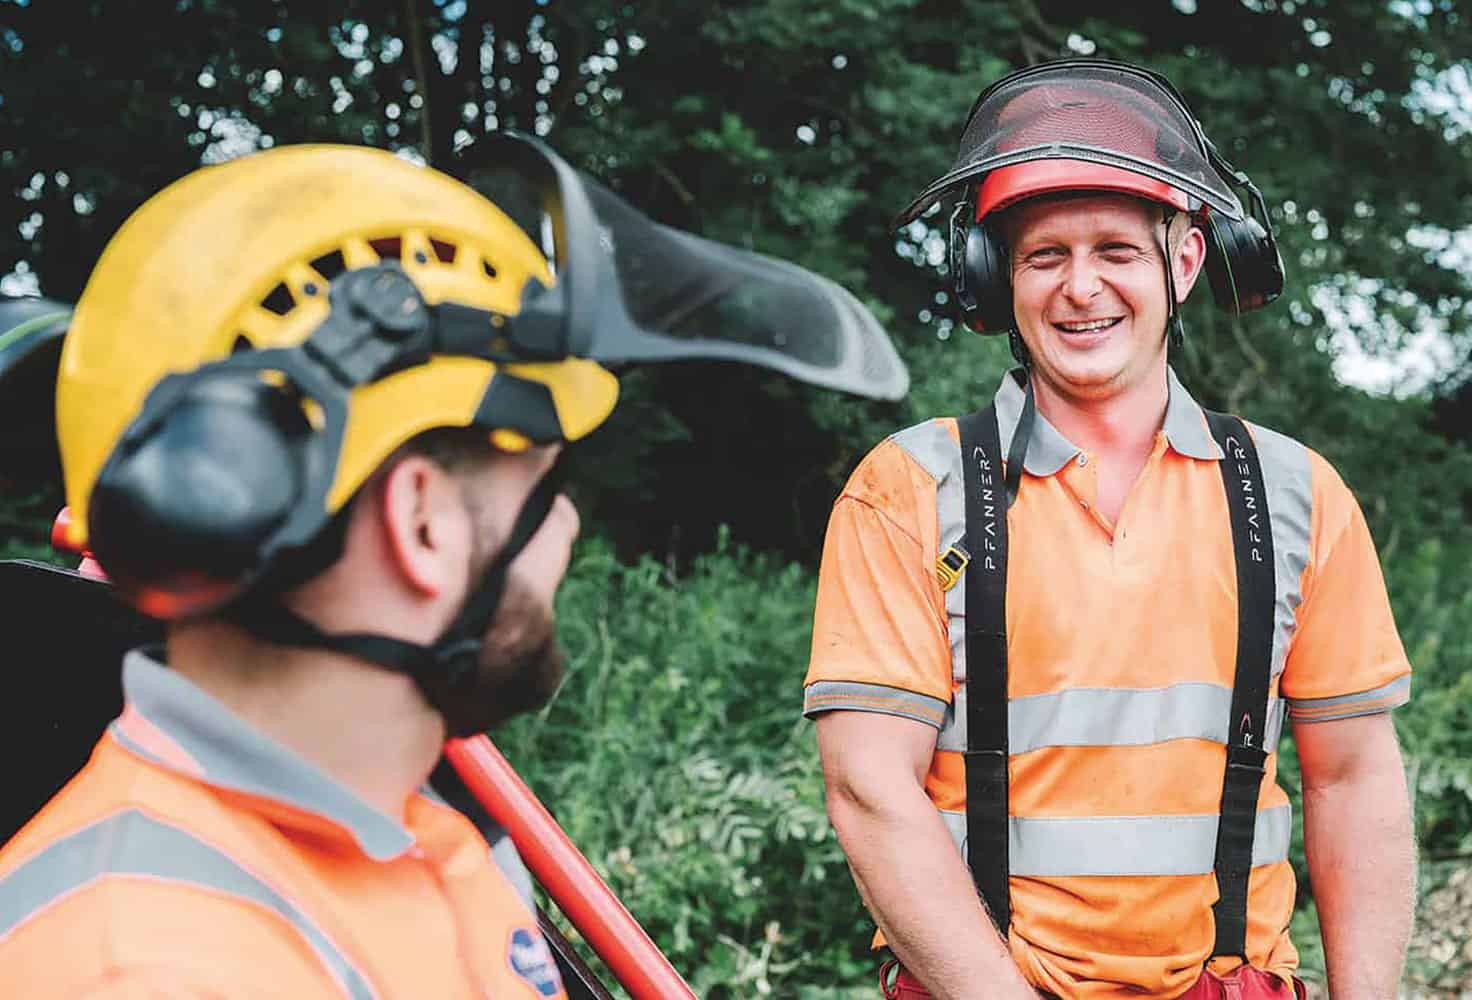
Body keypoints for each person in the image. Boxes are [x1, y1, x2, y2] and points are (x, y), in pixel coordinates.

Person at [0, 137, 904, 996]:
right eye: (545, 485)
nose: (567, 531)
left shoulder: (415, 836)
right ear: (421, 523)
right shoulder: (144, 971)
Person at [804, 59, 1414, 999]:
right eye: (1046, 255)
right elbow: (868, 789)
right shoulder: (910, 490)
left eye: (1116, 252)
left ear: (1185, 261)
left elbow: (1353, 779)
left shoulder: (1294, 492)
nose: (1080, 287)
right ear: (992, 276)